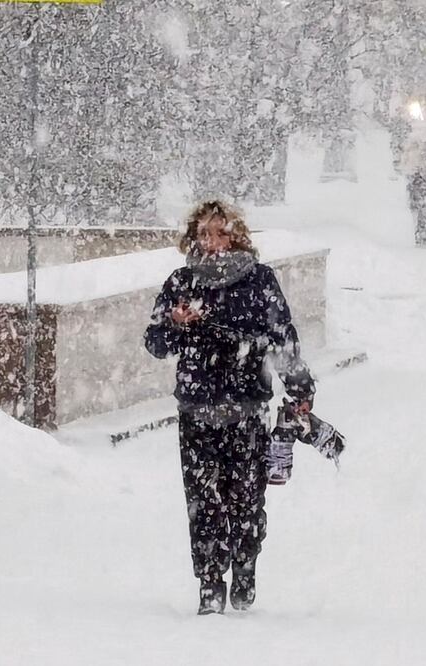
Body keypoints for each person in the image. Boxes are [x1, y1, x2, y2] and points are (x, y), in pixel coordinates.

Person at [143, 200, 316, 615]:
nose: (212, 242)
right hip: (197, 410)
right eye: (205, 234)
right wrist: (174, 324)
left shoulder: (259, 282)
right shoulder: (181, 282)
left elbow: (282, 340)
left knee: (246, 499)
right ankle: (208, 583)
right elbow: (155, 343)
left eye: (220, 233)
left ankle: (244, 567)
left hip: (247, 410)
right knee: (203, 502)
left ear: (237, 236)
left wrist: (300, 390)